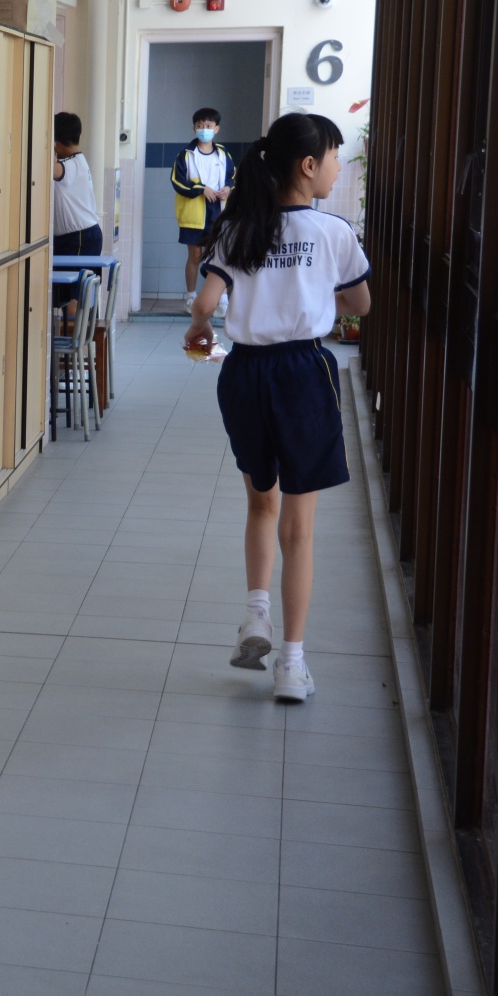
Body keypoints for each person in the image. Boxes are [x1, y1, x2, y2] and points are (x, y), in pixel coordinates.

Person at [186, 113, 370, 703]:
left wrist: (198, 329)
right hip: (303, 373)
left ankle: (256, 613)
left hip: (245, 374)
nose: (337, 167)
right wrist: (317, 293)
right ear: (309, 166)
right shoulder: (333, 231)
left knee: (260, 502)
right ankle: (291, 665)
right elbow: (361, 304)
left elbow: (207, 301)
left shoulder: (241, 226)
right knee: (300, 527)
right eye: (334, 157)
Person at [174, 106, 237, 311]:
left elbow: (232, 176)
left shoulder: (223, 154)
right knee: (195, 256)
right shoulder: (186, 154)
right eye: (200, 125)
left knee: (219, 256)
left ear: (216, 129)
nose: (204, 129)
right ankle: (191, 297)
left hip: (218, 212)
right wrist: (201, 189)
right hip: (194, 214)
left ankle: (222, 299)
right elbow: (178, 182)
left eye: (208, 126)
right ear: (194, 128)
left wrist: (228, 188)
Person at [51, 112, 101, 317]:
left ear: (56, 142)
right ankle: (77, 335)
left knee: (75, 297)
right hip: (78, 236)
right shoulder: (78, 160)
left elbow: (52, 170)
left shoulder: (71, 165)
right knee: (72, 295)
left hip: (79, 238)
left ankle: (76, 336)